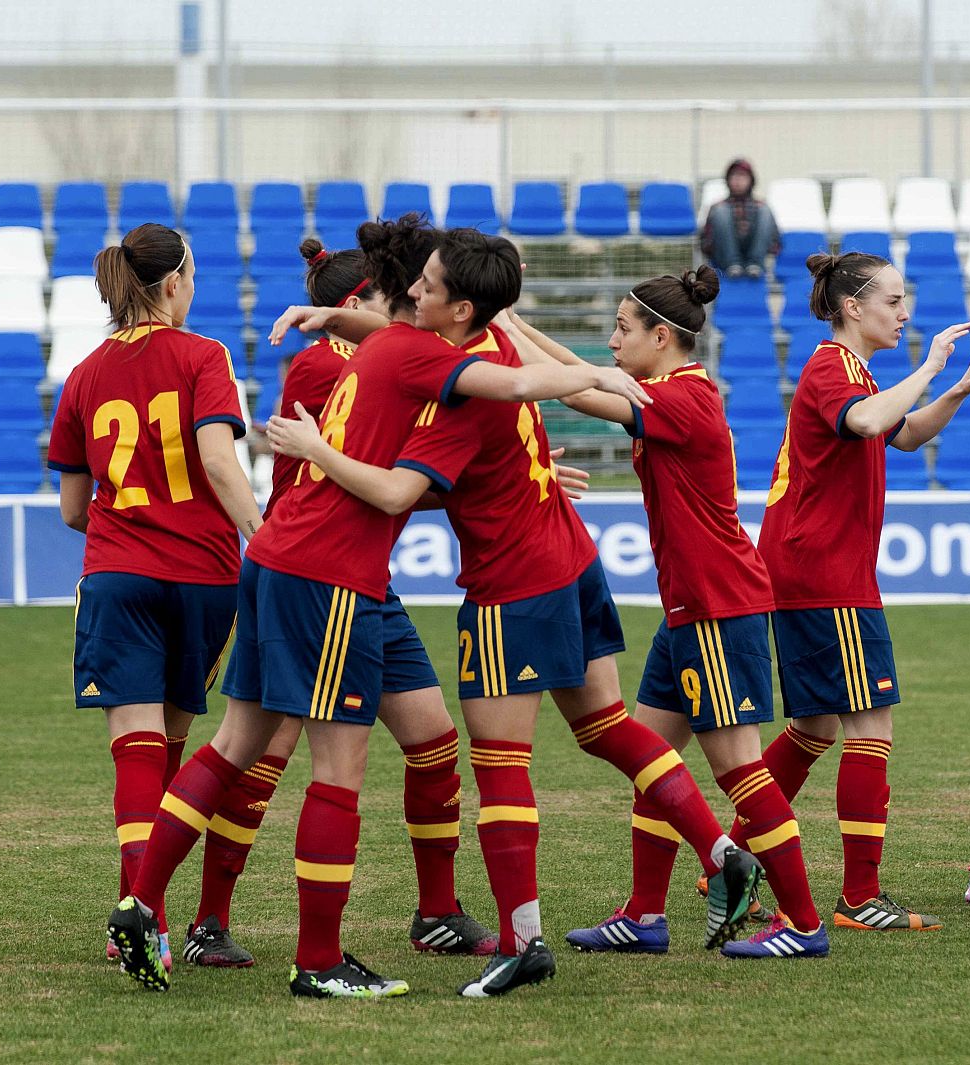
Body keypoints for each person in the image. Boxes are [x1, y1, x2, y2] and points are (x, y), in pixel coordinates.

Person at [106, 215, 654, 998]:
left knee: (233, 745)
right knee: (338, 769)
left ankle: (141, 903)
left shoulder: (388, 345)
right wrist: (604, 377)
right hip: (329, 574)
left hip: (274, 558)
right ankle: (320, 961)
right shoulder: (427, 355)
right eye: (424, 283)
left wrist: (332, 315)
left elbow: (412, 344)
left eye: (431, 285)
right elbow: (521, 382)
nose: (420, 293)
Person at [266, 232, 771, 996]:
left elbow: (403, 476)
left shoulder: (469, 389)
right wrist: (334, 318)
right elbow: (410, 347)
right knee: (605, 726)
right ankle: (720, 849)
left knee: (501, 767)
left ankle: (522, 940)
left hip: (512, 580)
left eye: (429, 289)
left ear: (462, 307)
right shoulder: (489, 348)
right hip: (570, 559)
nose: (413, 301)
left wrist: (317, 430)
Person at [491, 267, 828, 959]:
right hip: (689, 609)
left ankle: (803, 921)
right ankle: (645, 914)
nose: (612, 339)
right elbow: (586, 373)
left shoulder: (688, 399)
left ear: (661, 336)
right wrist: (511, 321)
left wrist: (499, 328)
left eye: (622, 328)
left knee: (739, 769)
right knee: (652, 759)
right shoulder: (667, 391)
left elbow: (580, 390)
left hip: (718, 604)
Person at [181, 238, 498, 970]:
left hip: (361, 575)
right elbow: (369, 471)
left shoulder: (370, 356)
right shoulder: (328, 363)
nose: (418, 302)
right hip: (316, 573)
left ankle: (438, 911)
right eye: (406, 292)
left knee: (432, 739)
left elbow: (397, 469)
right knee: (269, 752)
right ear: (363, 305)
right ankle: (208, 919)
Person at [745, 250, 970, 933]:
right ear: (852, 307)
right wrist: (929, 368)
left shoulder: (854, 372)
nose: (905, 313)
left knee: (815, 726)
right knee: (870, 725)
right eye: (893, 300)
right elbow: (866, 422)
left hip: (808, 569)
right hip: (826, 574)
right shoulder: (834, 368)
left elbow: (902, 432)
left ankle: (735, 853)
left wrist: (952, 391)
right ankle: (858, 895)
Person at [47, 222, 262, 975]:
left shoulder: (83, 374)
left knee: (136, 761)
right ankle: (140, 920)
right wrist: (262, 539)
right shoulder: (205, 355)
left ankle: (146, 927)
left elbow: (75, 508)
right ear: (173, 284)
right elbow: (217, 460)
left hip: (119, 574)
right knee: (170, 757)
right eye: (194, 276)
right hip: (204, 578)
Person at [701, 158, 778, 279]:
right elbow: (706, 242)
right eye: (734, 177)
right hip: (725, 259)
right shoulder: (717, 207)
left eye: (742, 177)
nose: (738, 181)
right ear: (728, 180)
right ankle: (733, 263)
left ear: (751, 180)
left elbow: (775, 241)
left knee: (765, 210)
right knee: (721, 210)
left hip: (756, 254)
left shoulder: (761, 206)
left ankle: (755, 263)